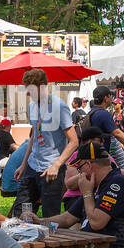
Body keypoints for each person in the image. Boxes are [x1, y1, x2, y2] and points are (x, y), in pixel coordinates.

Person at [15, 68, 78, 218]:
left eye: (30, 89)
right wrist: (24, 164)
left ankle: (50, 241)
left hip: (51, 167)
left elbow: (74, 141)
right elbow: (34, 136)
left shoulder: (59, 106)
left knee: (50, 215)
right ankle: (23, 240)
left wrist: (56, 165)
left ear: (42, 85)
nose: (27, 93)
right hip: (32, 165)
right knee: (21, 211)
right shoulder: (32, 106)